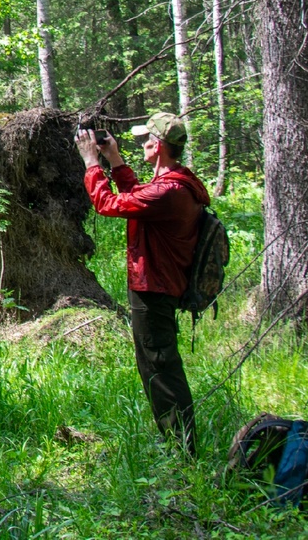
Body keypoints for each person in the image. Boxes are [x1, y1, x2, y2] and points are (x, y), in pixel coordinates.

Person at [76, 112, 209, 456]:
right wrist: (114, 160)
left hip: (155, 289)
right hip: (158, 285)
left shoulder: (169, 191)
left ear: (159, 146)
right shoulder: (173, 183)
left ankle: (183, 452)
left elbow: (108, 204)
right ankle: (177, 442)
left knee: (160, 368)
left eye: (146, 139)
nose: (143, 144)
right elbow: (138, 195)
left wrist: (92, 163)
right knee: (156, 365)